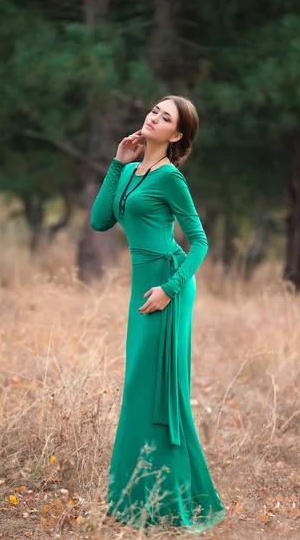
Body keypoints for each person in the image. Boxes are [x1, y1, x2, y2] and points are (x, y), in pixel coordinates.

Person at [91, 95, 225, 532]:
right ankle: (130, 499)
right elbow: (99, 221)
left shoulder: (171, 178)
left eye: (165, 117)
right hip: (142, 289)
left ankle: (167, 502)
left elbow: (199, 241)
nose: (154, 117)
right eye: (154, 111)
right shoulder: (130, 172)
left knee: (158, 395)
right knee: (139, 389)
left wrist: (169, 290)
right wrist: (117, 162)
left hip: (166, 287)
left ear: (178, 134)